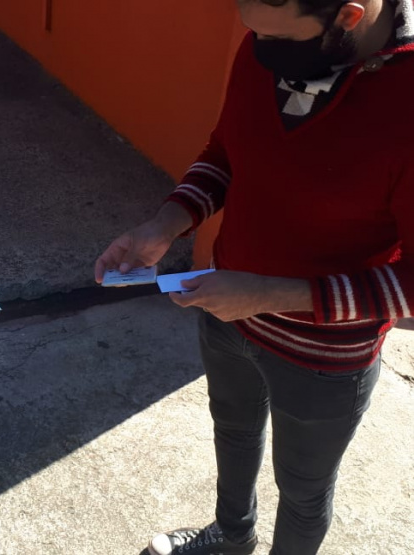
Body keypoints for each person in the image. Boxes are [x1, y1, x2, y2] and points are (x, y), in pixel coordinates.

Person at [94, 1, 413, 554]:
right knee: (234, 433)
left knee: (304, 492)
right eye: (252, 30)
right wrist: (166, 223)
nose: (261, 52)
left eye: (279, 39)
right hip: (227, 312)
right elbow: (227, 153)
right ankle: (233, 536)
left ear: (350, 16)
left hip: (324, 357)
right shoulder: (270, 40)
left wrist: (270, 294)